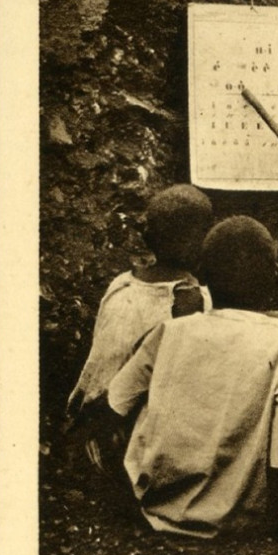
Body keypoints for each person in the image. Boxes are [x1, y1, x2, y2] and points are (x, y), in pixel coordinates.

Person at [106, 217, 278, 538]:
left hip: (155, 507)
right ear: (273, 279)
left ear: (202, 276)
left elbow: (112, 406)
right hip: (240, 517)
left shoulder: (171, 331)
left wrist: (126, 502)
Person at [66, 183, 214, 431]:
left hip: (95, 415)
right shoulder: (196, 302)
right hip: (139, 433)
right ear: (194, 240)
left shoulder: (122, 284)